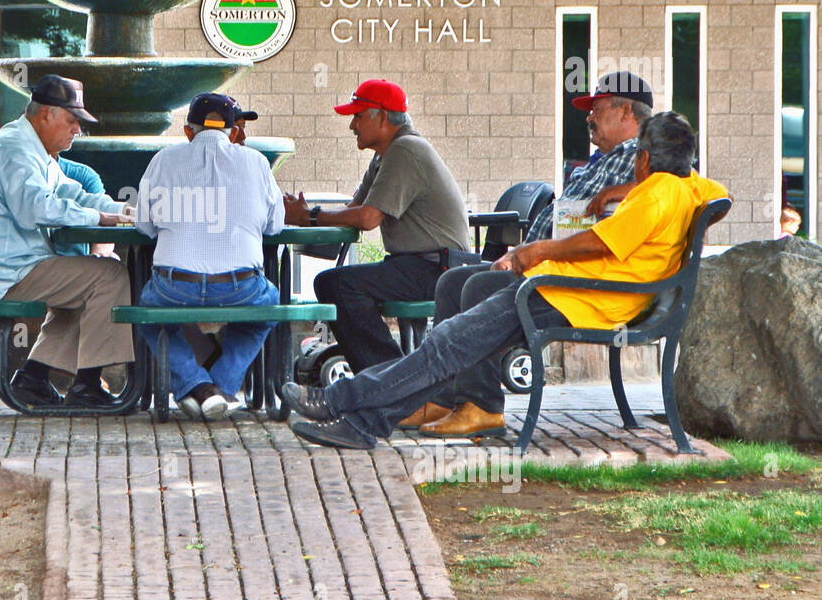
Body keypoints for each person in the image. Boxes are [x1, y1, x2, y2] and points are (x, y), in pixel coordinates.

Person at [280, 112, 728, 450]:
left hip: (570, 296)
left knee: (447, 342)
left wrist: (532, 252)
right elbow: (721, 199)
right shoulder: (688, 187)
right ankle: (362, 422)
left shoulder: (655, 194)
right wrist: (624, 190)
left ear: (644, 159)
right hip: (568, 293)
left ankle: (341, 403)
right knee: (450, 343)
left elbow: (595, 244)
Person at [413, 70, 652, 438]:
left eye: (597, 108)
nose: (588, 117)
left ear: (626, 114)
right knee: (451, 281)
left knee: (478, 287)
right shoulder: (597, 160)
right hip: (545, 266)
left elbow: (664, 189)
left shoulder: (643, 159)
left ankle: (483, 407)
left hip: (580, 284)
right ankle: (446, 399)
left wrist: (623, 189)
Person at [0, 75, 135, 407]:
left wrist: (122, 210)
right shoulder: (15, 149)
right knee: (110, 276)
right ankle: (87, 386)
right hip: (4, 275)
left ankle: (33, 379)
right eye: (71, 120)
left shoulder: (33, 149)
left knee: (92, 279)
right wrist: (99, 218)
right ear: (46, 114)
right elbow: (34, 208)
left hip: (10, 268)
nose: (77, 130)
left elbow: (73, 193)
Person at [284, 78, 470, 373]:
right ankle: (392, 378)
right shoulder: (387, 153)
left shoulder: (406, 149)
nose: (351, 126)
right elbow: (354, 208)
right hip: (420, 265)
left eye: (357, 116)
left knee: (335, 284)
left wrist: (308, 216)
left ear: (382, 116)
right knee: (337, 283)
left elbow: (367, 219)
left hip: (439, 270)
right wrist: (307, 212)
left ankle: (391, 381)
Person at [133, 93, 284, 420]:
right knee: (268, 309)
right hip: (241, 286)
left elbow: (144, 226)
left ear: (189, 132)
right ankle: (223, 387)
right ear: (232, 132)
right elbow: (275, 226)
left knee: (146, 312)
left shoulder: (162, 160)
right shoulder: (257, 162)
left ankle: (197, 387)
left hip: (175, 286)